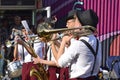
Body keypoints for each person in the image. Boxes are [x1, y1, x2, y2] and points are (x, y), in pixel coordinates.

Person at [33, 9, 102, 80]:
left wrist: (63, 42)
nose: (75, 24)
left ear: (80, 25)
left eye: (76, 21)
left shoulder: (78, 44)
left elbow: (60, 63)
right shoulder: (97, 41)